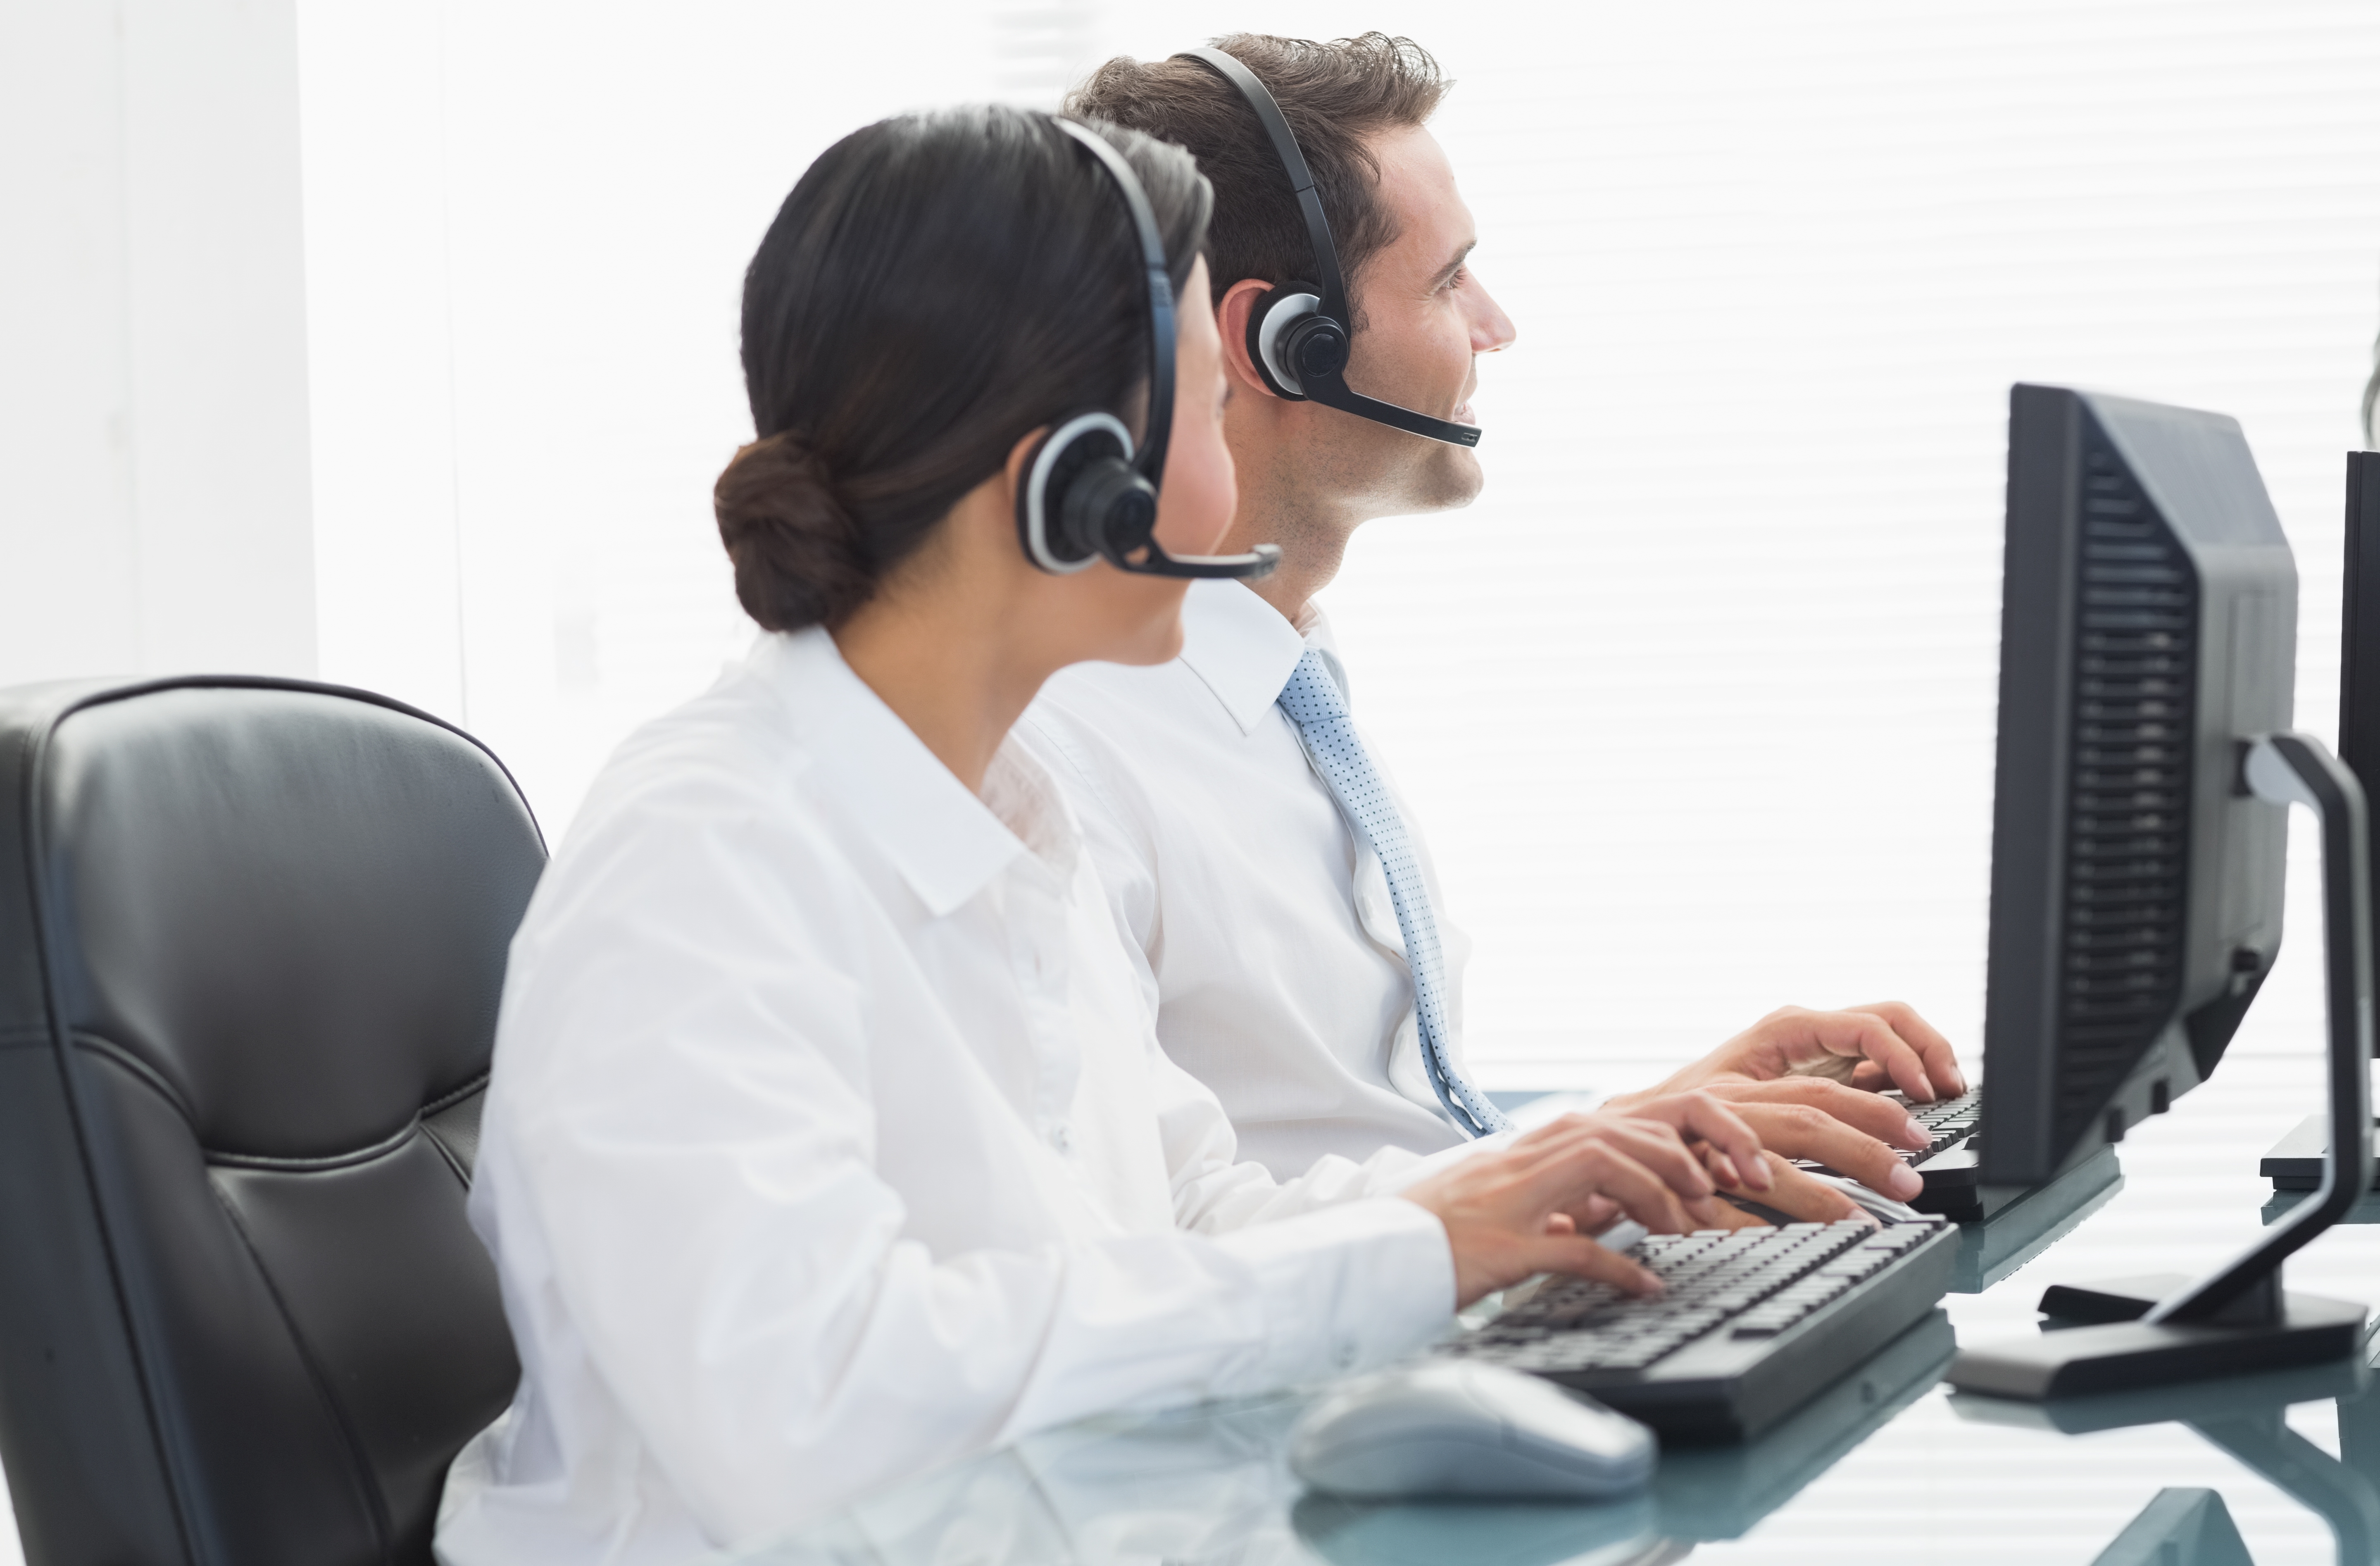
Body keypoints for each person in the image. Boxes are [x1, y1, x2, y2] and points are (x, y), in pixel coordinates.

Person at [434, 106, 1778, 1564]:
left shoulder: (1012, 808)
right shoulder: (706, 855)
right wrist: (1413, 1250)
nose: (1233, 474)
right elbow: (806, 1405)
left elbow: (1185, 1210)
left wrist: (1538, 1191)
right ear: (1076, 481)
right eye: (1209, 409)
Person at [1022, 34, 1967, 1216]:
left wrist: (1662, 1123)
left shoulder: (1278, 679)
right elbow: (1159, 1234)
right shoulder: (1051, 750)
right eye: (1446, 280)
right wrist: (1587, 1164)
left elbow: (1369, 1138)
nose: (1496, 326)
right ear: (1283, 345)